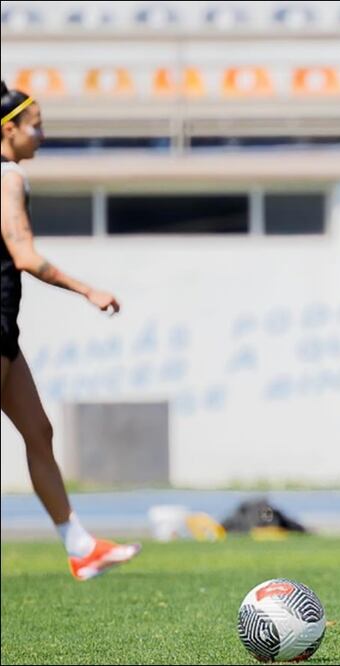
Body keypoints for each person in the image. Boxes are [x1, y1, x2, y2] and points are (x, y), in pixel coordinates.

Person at [1, 81, 141, 581]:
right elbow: (24, 255)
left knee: (38, 431)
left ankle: (81, 547)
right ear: (8, 128)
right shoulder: (8, 176)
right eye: (35, 126)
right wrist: (87, 289)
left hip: (6, 328)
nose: (41, 135)